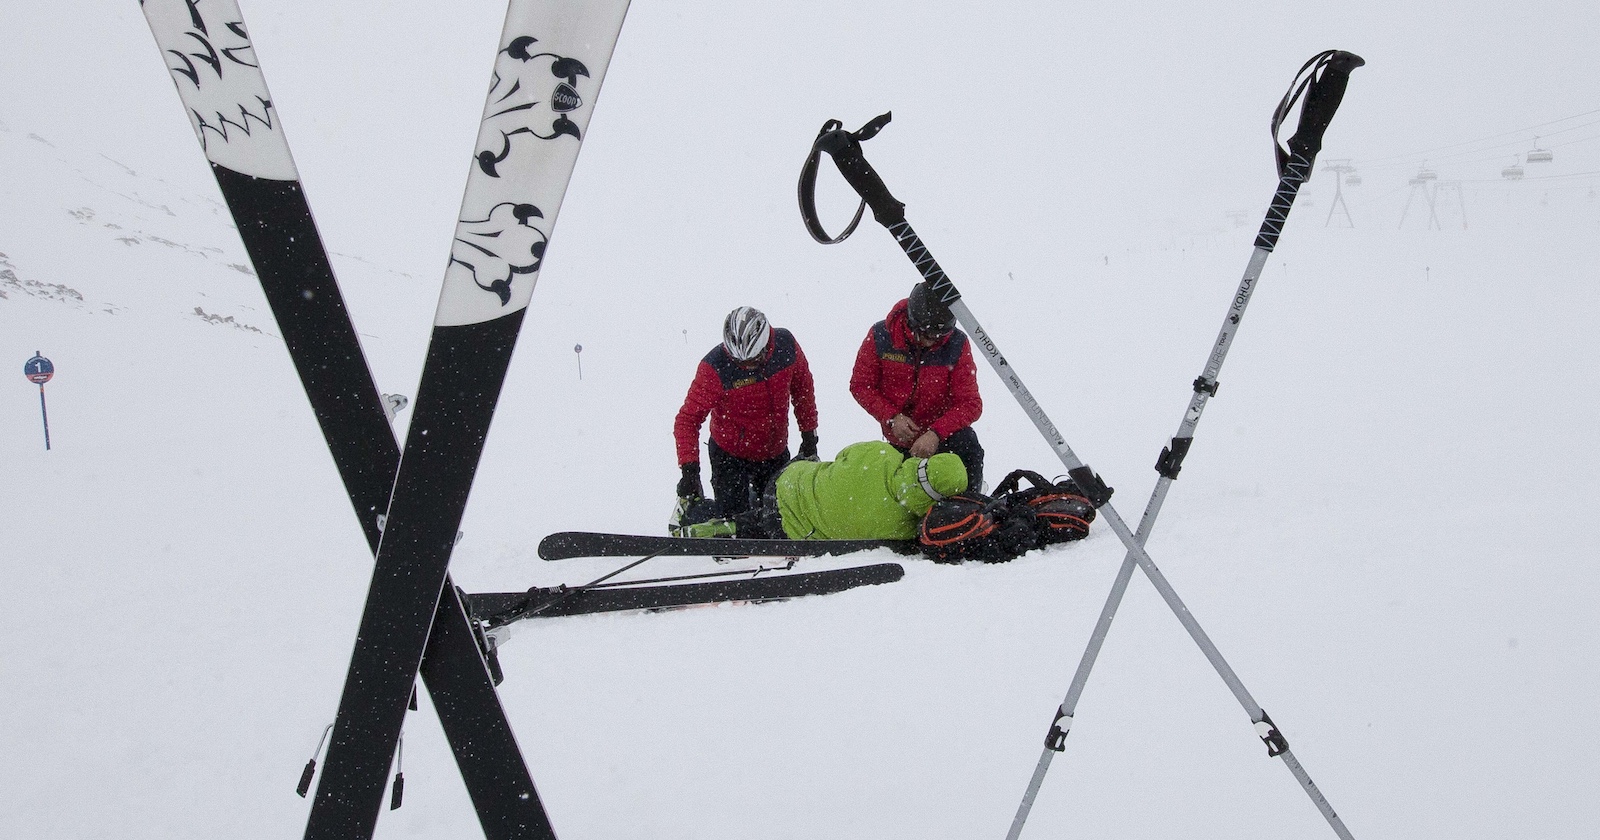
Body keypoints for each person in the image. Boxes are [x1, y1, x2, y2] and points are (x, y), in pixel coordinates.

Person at [674, 306, 819, 519]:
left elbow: (802, 389)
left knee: (780, 519)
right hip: (729, 456)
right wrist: (690, 470)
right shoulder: (715, 367)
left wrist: (809, 436)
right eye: (740, 362)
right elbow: (687, 420)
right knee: (734, 524)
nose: (747, 366)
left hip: (774, 452)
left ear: (765, 345)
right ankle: (692, 515)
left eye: (753, 360)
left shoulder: (786, 347)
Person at [682, 440, 968, 541]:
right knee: (755, 523)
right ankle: (718, 528)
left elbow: (843, 456)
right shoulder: (903, 527)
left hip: (787, 479)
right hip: (789, 527)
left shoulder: (882, 453)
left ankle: (694, 511)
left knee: (754, 503)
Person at [849, 282, 984, 492]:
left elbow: (970, 403)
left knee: (968, 445)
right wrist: (892, 417)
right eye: (927, 334)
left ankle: (971, 502)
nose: (933, 341)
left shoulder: (957, 344)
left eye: (940, 336)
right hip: (899, 442)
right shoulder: (881, 337)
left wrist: (935, 433)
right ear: (912, 322)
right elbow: (861, 385)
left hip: (944, 439)